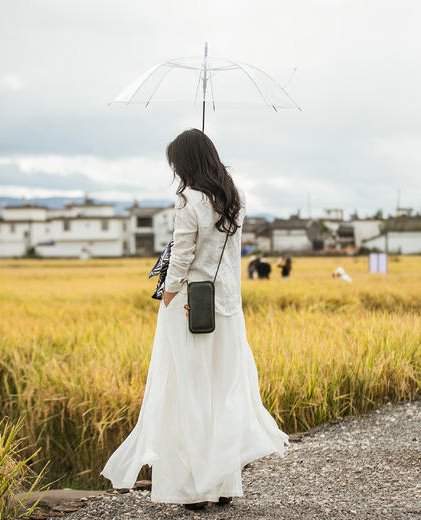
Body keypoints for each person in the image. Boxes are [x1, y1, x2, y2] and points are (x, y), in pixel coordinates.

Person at [100, 129, 288, 510]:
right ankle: (221, 486)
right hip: (228, 308)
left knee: (187, 393)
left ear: (185, 163)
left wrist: (166, 298)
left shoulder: (188, 200)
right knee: (220, 392)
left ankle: (193, 490)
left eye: (176, 163)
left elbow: (183, 256)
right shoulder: (235, 196)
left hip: (190, 308)